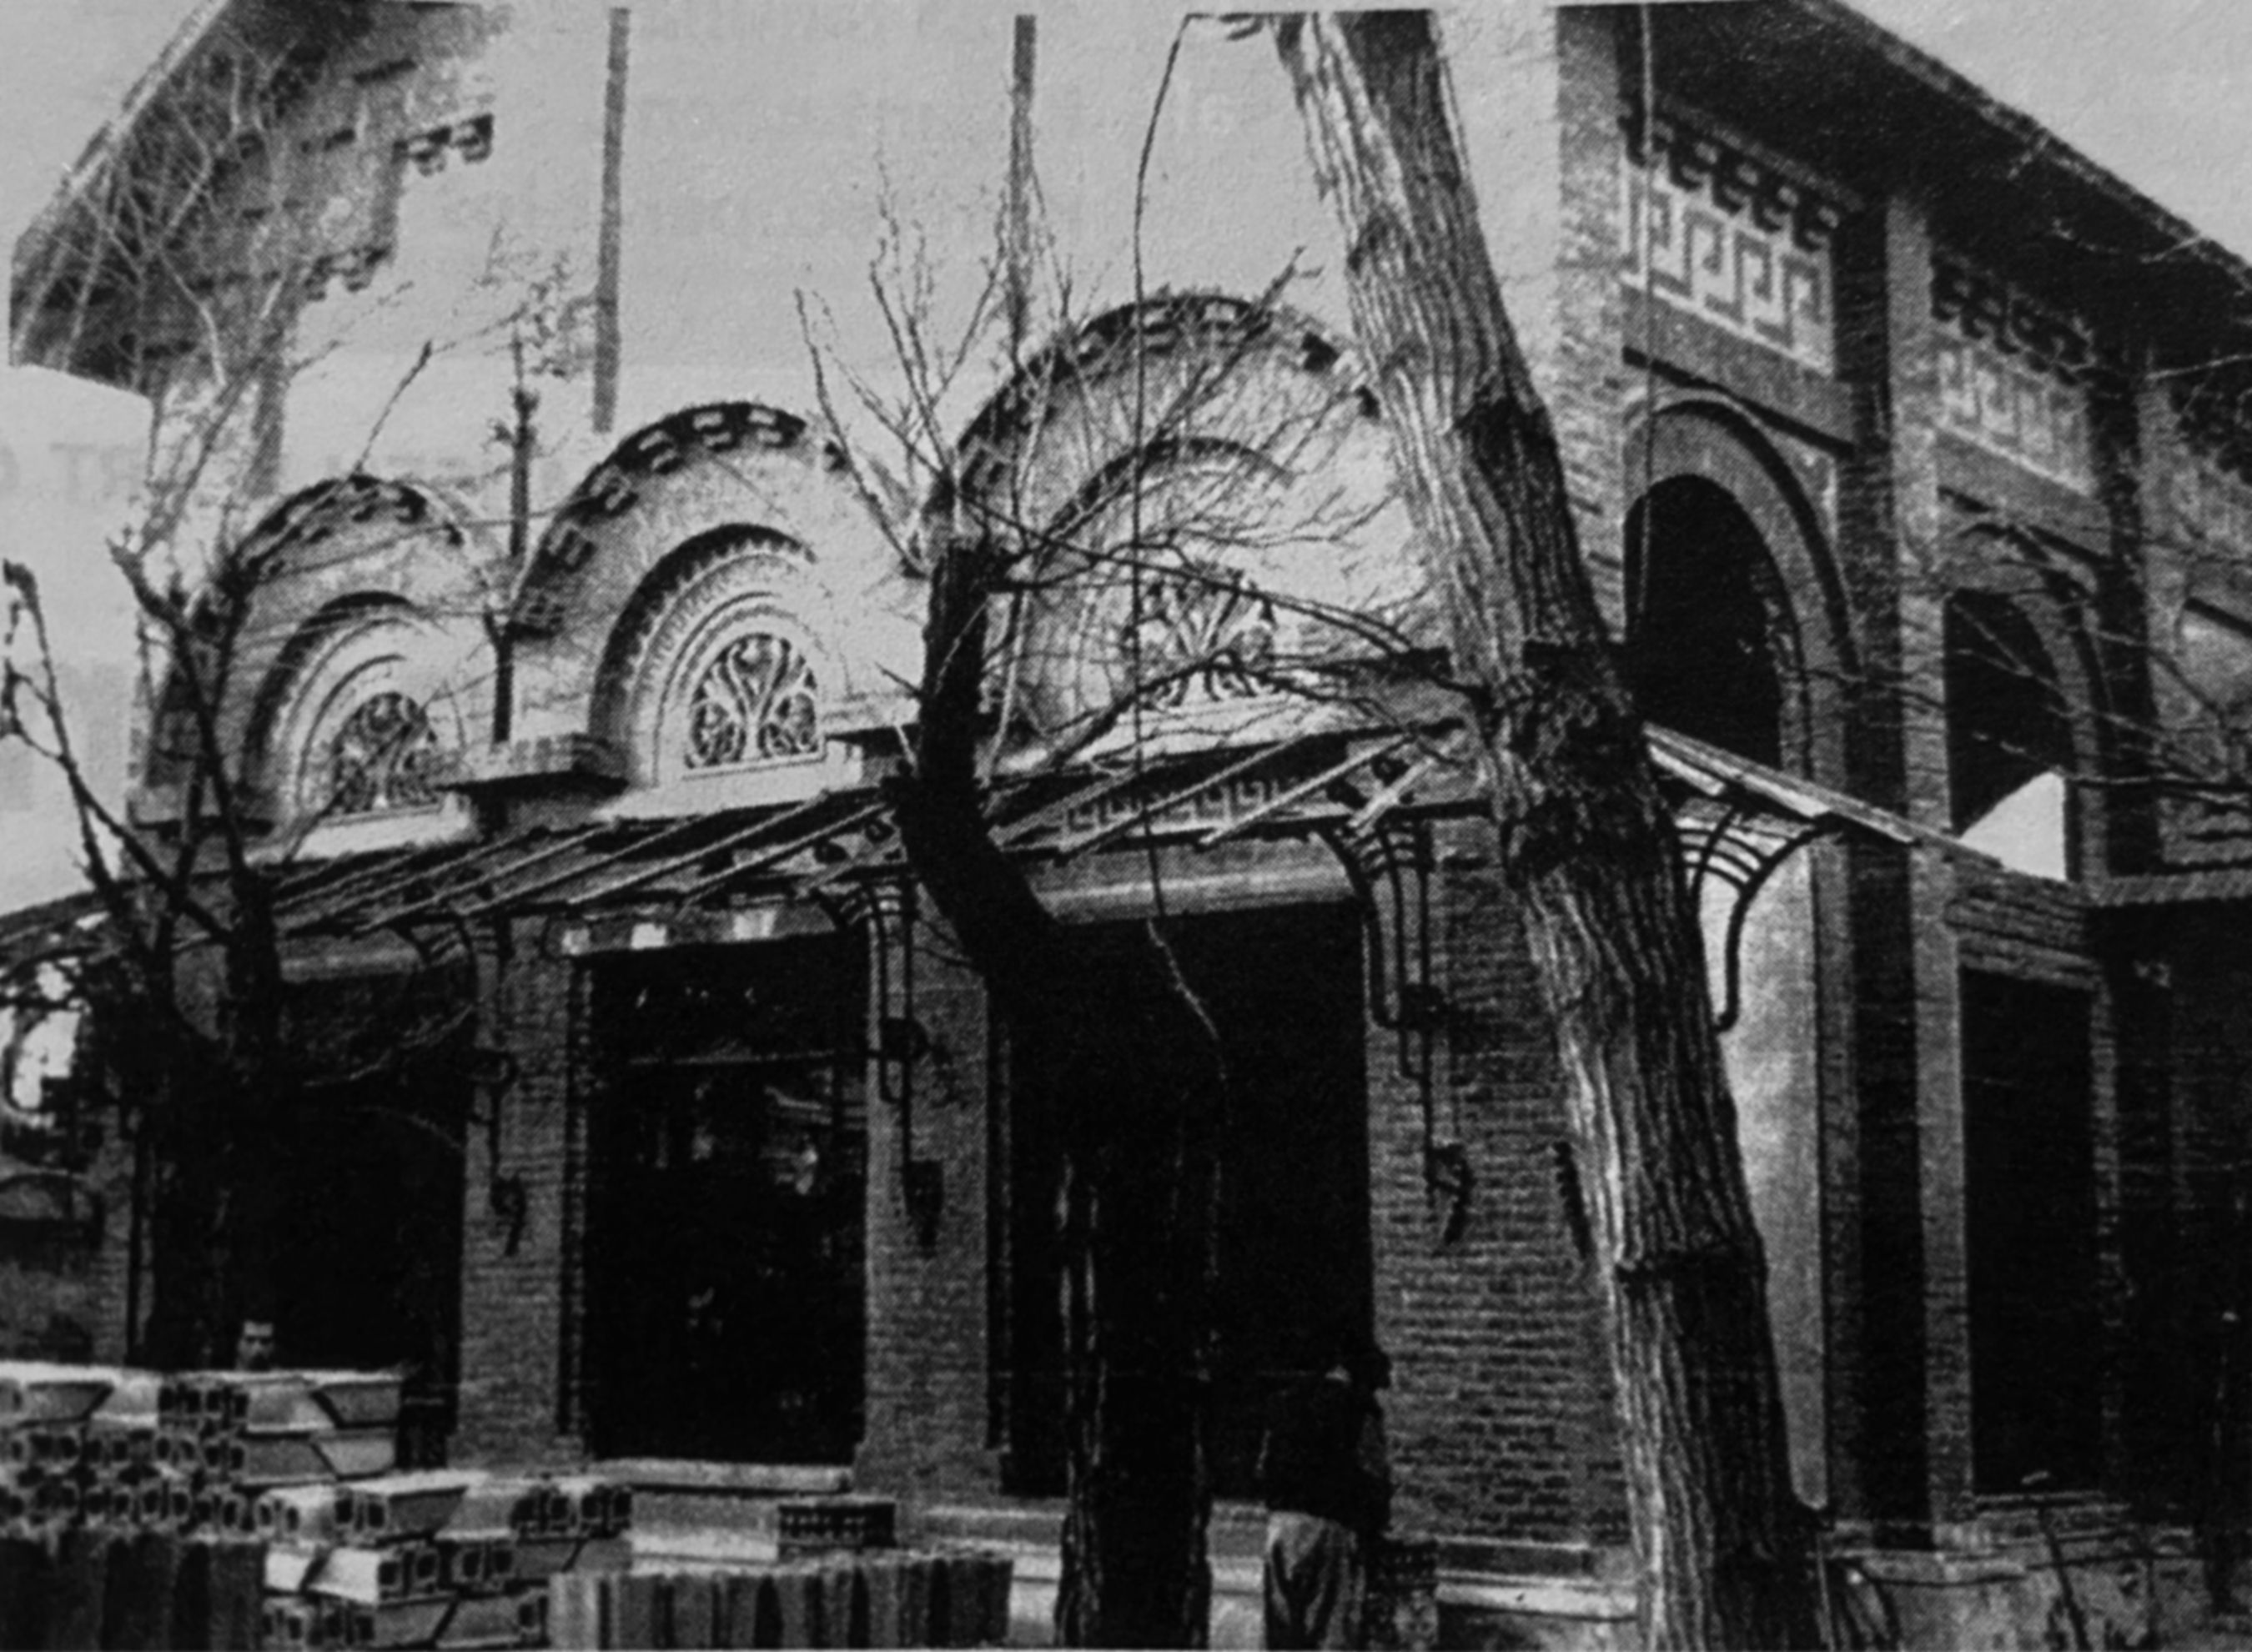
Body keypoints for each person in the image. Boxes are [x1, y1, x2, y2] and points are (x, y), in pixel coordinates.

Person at [1258, 1327, 1393, 1649]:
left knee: (1282, 1634)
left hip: (1280, 1528)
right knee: (1329, 1635)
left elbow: (1262, 1467)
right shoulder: (1360, 1409)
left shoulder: (1285, 1402)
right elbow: (1375, 1476)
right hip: (1328, 1529)